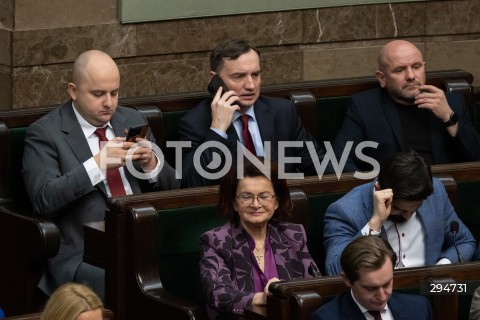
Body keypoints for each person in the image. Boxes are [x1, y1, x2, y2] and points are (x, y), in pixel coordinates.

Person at [22, 50, 180, 299]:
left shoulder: (132, 119)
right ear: (73, 91)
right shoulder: (45, 133)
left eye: (114, 93)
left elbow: (175, 190)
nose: (109, 103)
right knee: (124, 279)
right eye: (98, 94)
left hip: (144, 238)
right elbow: (44, 199)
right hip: (85, 252)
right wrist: (98, 166)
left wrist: (152, 164)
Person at [179, 38, 327, 188]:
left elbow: (320, 167)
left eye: (255, 75)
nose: (250, 85)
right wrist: (218, 131)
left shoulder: (283, 112)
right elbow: (192, 186)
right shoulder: (195, 123)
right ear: (214, 80)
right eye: (239, 76)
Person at [332, 39, 480, 173]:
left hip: (444, 191)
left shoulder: (452, 103)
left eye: (416, 67)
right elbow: (339, 162)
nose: (411, 76)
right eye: (400, 70)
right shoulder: (364, 107)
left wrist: (449, 118)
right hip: (392, 194)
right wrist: (375, 189)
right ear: (382, 78)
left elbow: (475, 156)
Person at [199, 157, 320, 318]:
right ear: (234, 203)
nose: (256, 204)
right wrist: (263, 298)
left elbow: (314, 284)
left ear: (276, 201)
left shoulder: (293, 235)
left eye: (264, 196)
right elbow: (218, 294)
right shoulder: (216, 240)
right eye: (246, 196)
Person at [324, 150, 476, 275]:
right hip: (379, 297)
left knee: (464, 290)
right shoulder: (344, 211)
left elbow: (465, 242)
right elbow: (334, 272)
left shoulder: (435, 193)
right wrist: (375, 222)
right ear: (379, 190)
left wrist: (440, 268)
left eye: (414, 210)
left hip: (430, 289)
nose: (408, 216)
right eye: (400, 209)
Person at [311, 236, 433, 320]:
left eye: (386, 284)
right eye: (370, 288)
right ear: (347, 280)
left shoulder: (419, 308)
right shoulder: (325, 318)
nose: (382, 296)